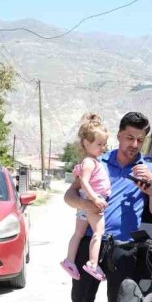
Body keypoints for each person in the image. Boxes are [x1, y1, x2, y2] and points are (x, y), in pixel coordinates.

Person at [56, 112, 152, 302]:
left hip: (125, 249)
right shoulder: (97, 159)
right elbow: (70, 196)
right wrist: (86, 205)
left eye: (140, 139)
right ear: (118, 135)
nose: (134, 144)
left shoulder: (149, 167)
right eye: (129, 137)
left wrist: (151, 189)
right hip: (89, 243)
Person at [59, 114, 112, 281]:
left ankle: (69, 260)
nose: (102, 148)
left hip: (86, 202)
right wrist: (95, 199)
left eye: (104, 144)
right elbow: (84, 182)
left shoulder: (90, 161)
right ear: (86, 143)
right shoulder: (89, 162)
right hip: (91, 203)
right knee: (98, 232)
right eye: (99, 144)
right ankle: (93, 263)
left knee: (79, 232)